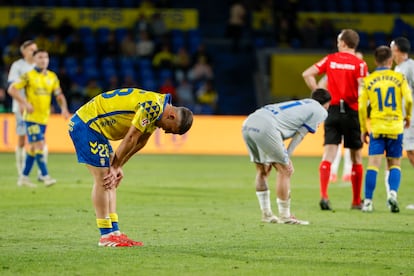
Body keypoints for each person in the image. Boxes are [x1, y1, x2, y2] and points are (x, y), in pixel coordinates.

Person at [68, 88, 193, 247]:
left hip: (96, 129)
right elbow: (131, 137)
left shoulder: (158, 110)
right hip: (86, 125)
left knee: (111, 179)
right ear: (171, 116)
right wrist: (114, 166)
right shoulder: (152, 107)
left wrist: (118, 166)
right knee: (104, 178)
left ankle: (114, 232)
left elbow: (141, 141)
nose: (166, 132)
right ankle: (105, 235)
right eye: (171, 129)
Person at [242, 88, 331, 225]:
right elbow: (300, 135)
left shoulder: (303, 103)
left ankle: (267, 214)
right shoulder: (321, 111)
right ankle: (285, 216)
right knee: (285, 170)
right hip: (267, 126)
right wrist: (287, 157)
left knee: (262, 170)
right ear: (327, 103)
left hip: (249, 122)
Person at [302, 29, 368, 211]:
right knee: (356, 157)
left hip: (331, 111)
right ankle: (356, 201)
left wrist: (319, 94)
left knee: (329, 155)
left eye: (339, 41)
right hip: (351, 112)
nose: (337, 44)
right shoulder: (360, 64)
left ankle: (324, 195)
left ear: (344, 43)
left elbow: (307, 74)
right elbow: (364, 87)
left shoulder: (330, 59)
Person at [359, 45, 412, 213]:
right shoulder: (399, 78)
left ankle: (368, 202)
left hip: (377, 126)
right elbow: (409, 100)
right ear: (390, 61)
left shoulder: (369, 80)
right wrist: (408, 117)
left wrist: (363, 128)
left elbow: (361, 107)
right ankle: (393, 195)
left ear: (375, 61)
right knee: (394, 164)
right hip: (396, 127)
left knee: (373, 165)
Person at [8, 49, 70, 188]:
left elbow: (59, 95)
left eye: (46, 57)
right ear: (34, 60)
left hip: (44, 118)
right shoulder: (28, 76)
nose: (43, 60)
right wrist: (24, 103)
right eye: (40, 57)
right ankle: (45, 175)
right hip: (31, 117)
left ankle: (23, 177)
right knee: (40, 145)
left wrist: (64, 108)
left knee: (32, 148)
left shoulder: (52, 77)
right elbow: (12, 89)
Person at [317, 51, 365, 183]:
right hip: (349, 111)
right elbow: (322, 84)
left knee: (345, 147)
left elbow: (320, 83)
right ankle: (333, 172)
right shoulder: (346, 71)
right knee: (339, 146)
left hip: (345, 111)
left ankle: (347, 172)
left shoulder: (361, 73)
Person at [389, 37, 414, 210]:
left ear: (397, 49)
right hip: (405, 117)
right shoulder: (398, 68)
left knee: (412, 153)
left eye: (392, 47)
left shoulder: (410, 67)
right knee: (410, 153)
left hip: (411, 117)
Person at [7, 40, 38, 178]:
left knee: (38, 139)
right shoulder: (18, 66)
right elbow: (13, 86)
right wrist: (22, 103)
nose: (34, 52)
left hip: (37, 108)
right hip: (21, 106)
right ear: (24, 51)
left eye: (35, 49)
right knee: (22, 139)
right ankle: (21, 170)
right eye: (31, 49)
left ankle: (40, 171)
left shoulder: (39, 65)